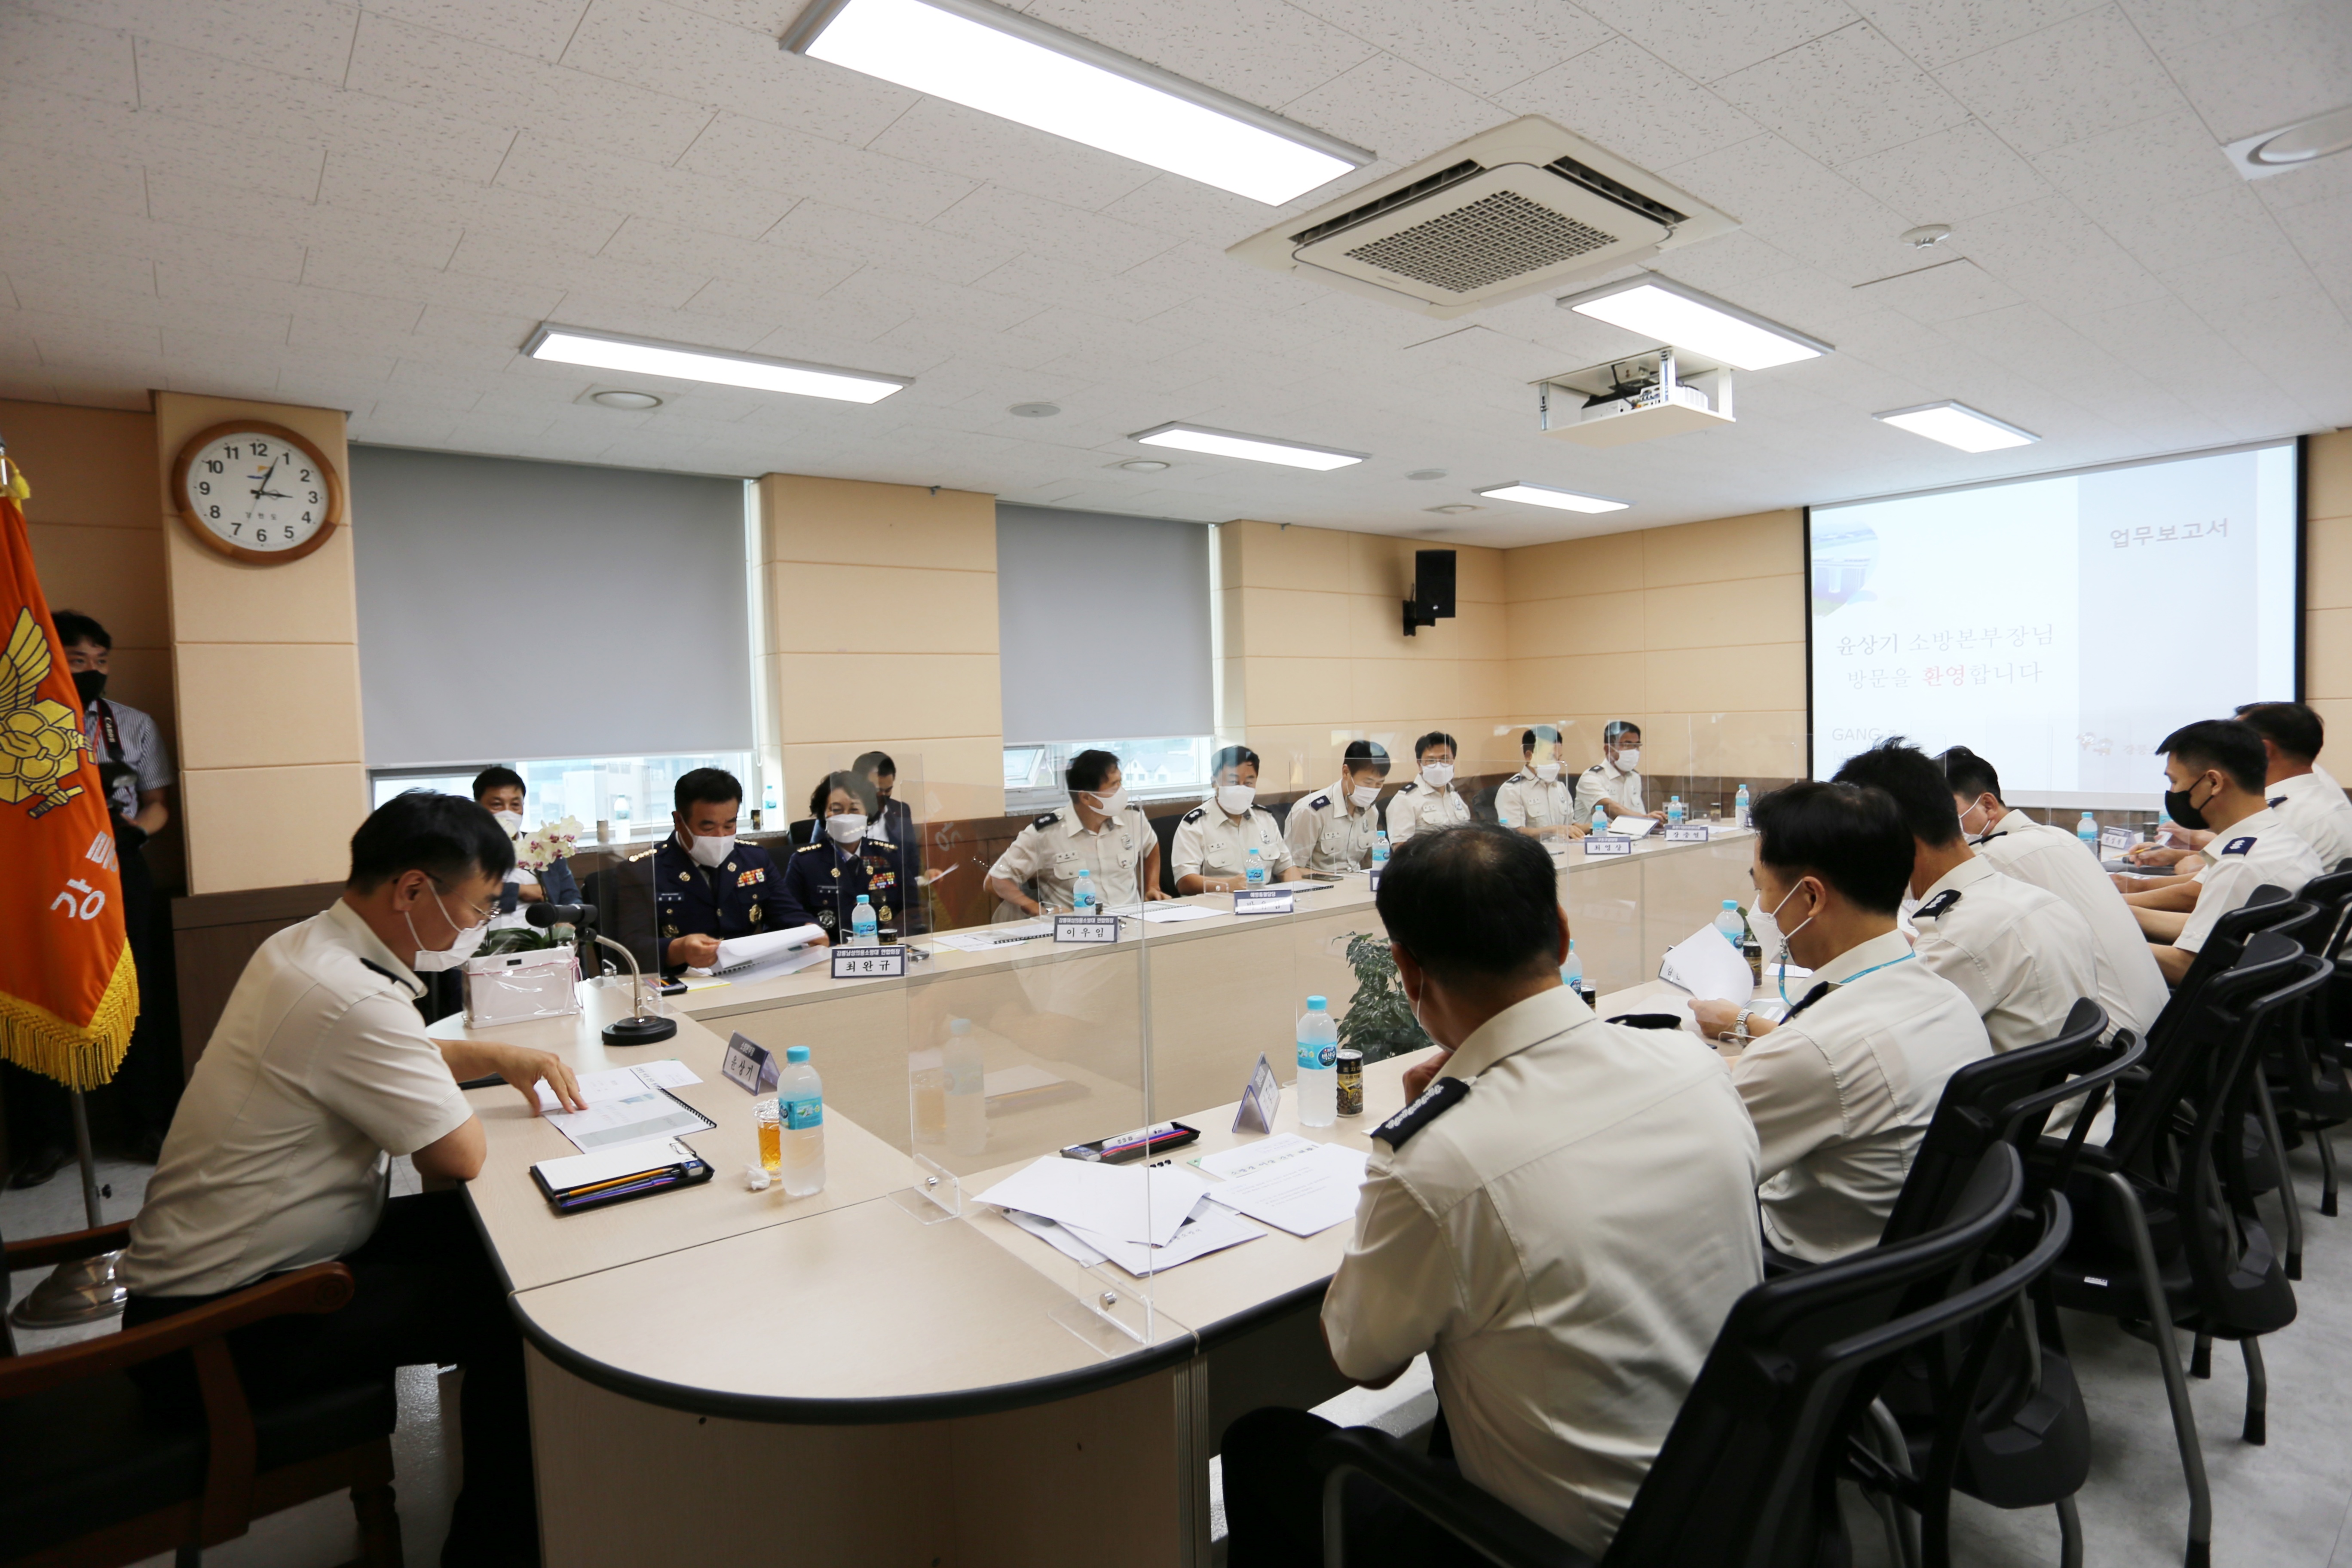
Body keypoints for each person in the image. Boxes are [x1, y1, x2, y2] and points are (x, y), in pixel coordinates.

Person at [1221, 825, 1761, 1565]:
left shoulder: (1438, 1156)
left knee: (1263, 1445)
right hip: (1735, 1501)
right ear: (1562, 933)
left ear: (1407, 969)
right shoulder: (1690, 1063)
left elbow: (1362, 1358)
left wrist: (1425, 1139)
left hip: (1567, 1547)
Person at [116, 791, 586, 1567]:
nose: (478, 926)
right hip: (214, 1330)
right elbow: (456, 1156)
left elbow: (385, 1053)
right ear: (412, 890)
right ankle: (493, 1549)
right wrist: (481, 1076)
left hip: (236, 1272)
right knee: (516, 1304)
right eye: (478, 907)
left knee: (493, 1243)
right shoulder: (353, 995)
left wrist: (497, 1056)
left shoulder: (307, 946)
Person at [1690, 782, 1992, 1263]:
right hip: (1922, 1264)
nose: (1762, 909)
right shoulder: (1946, 996)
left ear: (1811, 897)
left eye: (1763, 889)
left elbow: (1689, 1162)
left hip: (1814, 1279)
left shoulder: (1817, 1049)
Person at [7, 610, 178, 1180]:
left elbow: (157, 804)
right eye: (78, 661)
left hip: (117, 870)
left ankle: (145, 1122)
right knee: (43, 998)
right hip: (41, 879)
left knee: (133, 992)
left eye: (101, 661)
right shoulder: (15, 724)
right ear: (50, 661)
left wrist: (136, 834)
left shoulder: (132, 725)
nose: (93, 671)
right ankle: (46, 1138)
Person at [1834, 740, 2099, 1053]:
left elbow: (1860, 1048)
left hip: (2007, 1086)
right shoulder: (2037, 901)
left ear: (1894, 839)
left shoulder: (1957, 940)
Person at [1941, 745, 2168, 1040]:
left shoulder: (1993, 858)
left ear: (1987, 805)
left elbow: (1958, 958)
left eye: (1945, 812)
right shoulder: (2060, 837)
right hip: (2154, 1024)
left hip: (2102, 1039)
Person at [2118, 719, 2322, 984]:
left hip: (2213, 999)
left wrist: (2100, 938)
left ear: (2213, 782)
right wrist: (2116, 912)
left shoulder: (2241, 866)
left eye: (2175, 781)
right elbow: (2206, 930)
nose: (2173, 792)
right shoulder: (2279, 840)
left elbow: (2186, 966)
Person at [2129, 703, 2352, 874]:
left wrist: (2133, 892)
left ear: (2263, 750)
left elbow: (2221, 879)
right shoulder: (2311, 797)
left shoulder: (2288, 814)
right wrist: (2177, 856)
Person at [985, 749, 1168, 915]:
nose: (1122, 792)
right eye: (1114, 786)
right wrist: (1038, 910)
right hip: (1077, 929)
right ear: (1086, 797)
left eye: (1121, 782)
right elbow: (995, 881)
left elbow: (1151, 846)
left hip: (1133, 924)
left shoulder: (1132, 818)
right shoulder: (1046, 833)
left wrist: (1153, 886)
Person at [655, 767, 799, 974]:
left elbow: (788, 914)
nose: (721, 836)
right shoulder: (648, 870)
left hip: (747, 975)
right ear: (679, 821)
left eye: (730, 826)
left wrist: (810, 930)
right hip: (680, 981)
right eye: (708, 828)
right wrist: (678, 950)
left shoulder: (753, 859)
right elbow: (630, 947)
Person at [778, 770, 916, 943]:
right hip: (829, 952)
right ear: (823, 815)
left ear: (868, 813)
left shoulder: (888, 857)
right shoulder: (805, 863)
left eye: (854, 809)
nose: (846, 817)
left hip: (884, 948)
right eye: (836, 810)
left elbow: (914, 909)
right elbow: (788, 916)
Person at [1171, 745, 1302, 894]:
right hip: (1218, 902)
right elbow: (1185, 881)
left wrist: (1298, 893)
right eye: (1233, 782)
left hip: (1264, 899)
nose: (1241, 789)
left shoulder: (1265, 818)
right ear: (1214, 783)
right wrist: (1226, 885)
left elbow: (1287, 868)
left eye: (1248, 783)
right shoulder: (1195, 824)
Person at [470, 765, 579, 906]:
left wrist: (569, 916)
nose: (507, 812)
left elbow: (571, 897)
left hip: (540, 921)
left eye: (515, 805)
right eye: (497, 805)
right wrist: (520, 891)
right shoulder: (466, 851)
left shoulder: (544, 847)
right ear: (478, 807)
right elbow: (463, 895)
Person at [1284, 739, 1390, 873]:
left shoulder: (1371, 812)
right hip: (1320, 883)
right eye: (1368, 783)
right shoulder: (1311, 812)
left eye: (1379, 784)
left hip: (1357, 881)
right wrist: (1334, 880)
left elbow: (1372, 861)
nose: (1373, 790)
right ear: (1346, 772)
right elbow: (1289, 870)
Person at [1492, 725, 1585, 839]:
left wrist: (1596, 827)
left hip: (1564, 848)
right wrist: (1552, 831)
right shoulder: (1512, 790)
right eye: (1550, 758)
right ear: (1529, 756)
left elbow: (1570, 826)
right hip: (1533, 850)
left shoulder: (1559, 787)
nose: (1556, 764)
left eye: (1559, 759)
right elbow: (1514, 833)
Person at [1384, 730, 1472, 847]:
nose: (1439, 765)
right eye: (1431, 761)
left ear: (1453, 762)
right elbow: (1400, 849)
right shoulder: (1405, 800)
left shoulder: (1454, 796)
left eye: (1445, 759)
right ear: (1420, 765)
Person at [1574, 719, 1662, 823]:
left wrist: (1652, 821)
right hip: (1597, 833)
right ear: (1608, 749)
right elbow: (1609, 808)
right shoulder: (1591, 778)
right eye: (1627, 745)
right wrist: (1645, 819)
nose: (1633, 750)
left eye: (1636, 746)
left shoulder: (1634, 777)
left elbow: (1638, 814)